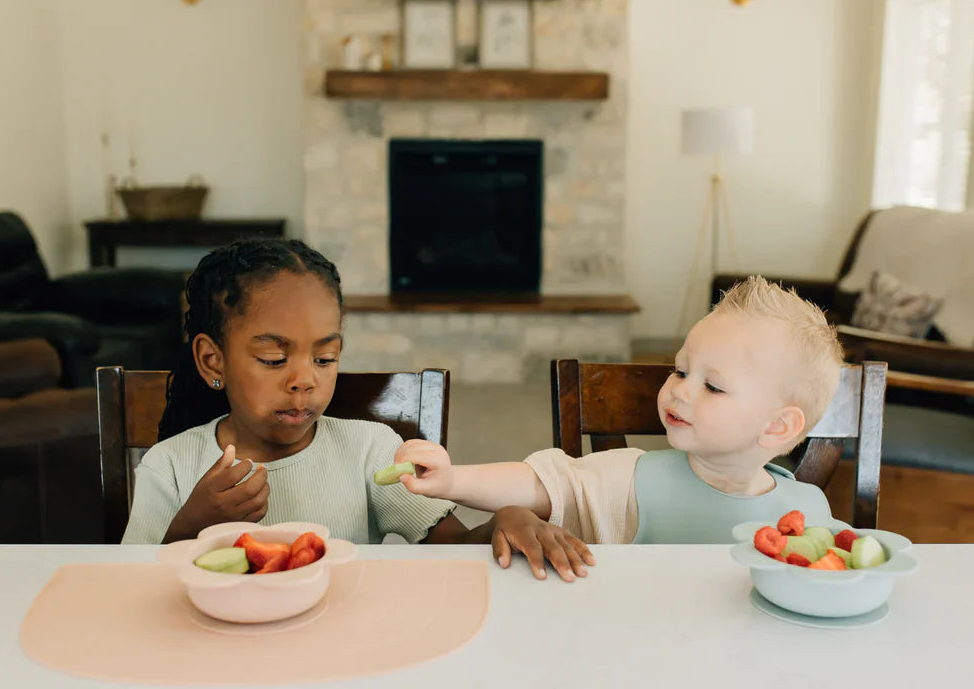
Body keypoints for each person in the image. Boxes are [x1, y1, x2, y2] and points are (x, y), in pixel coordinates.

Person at [122, 238, 593, 580]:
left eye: (325, 358)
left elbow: (450, 549)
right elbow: (128, 589)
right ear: (212, 360)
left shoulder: (368, 449)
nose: (305, 378)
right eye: (273, 359)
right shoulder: (171, 465)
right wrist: (191, 526)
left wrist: (502, 521)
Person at [395, 275, 845, 547]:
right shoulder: (628, 478)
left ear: (778, 426)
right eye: (680, 370)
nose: (680, 391)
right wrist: (452, 480)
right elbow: (540, 483)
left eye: (712, 385)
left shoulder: (808, 512)